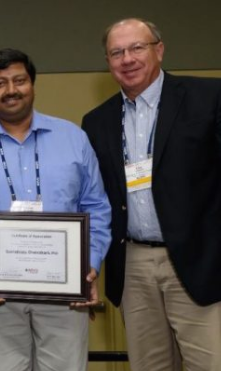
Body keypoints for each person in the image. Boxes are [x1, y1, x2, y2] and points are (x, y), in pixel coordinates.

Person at [0, 48, 111, 371]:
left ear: (33, 84)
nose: (10, 90)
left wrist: (89, 265)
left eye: (19, 80)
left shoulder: (73, 138)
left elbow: (96, 208)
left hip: (65, 291)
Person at [82, 18, 220, 371]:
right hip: (133, 264)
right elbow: (94, 199)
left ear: (159, 49)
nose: (127, 58)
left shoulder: (211, 98)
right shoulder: (95, 121)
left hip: (200, 261)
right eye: (117, 52)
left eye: (136, 47)